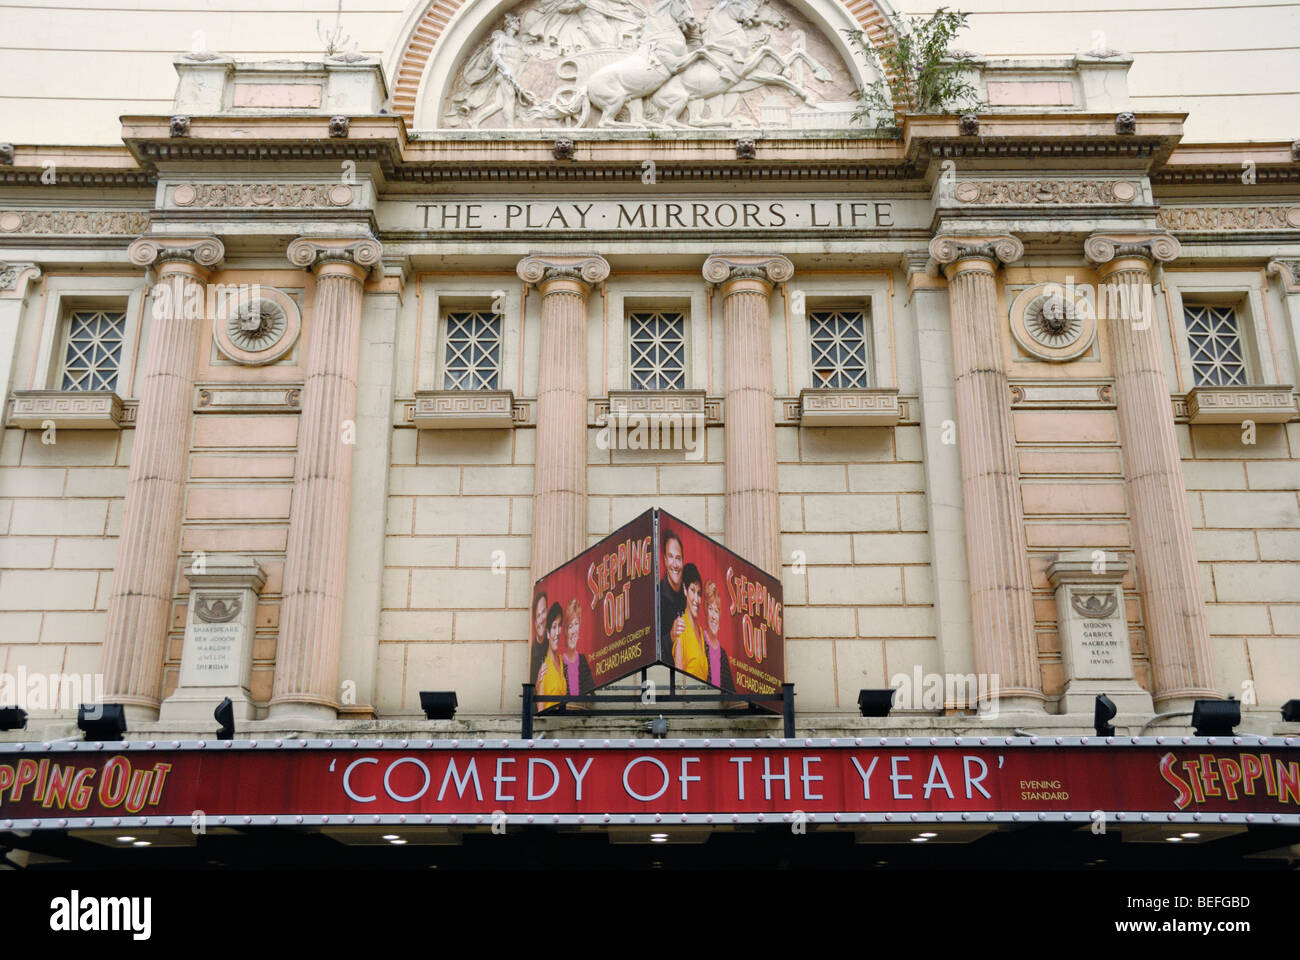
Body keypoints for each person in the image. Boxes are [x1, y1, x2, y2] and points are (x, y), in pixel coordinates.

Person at [672, 563, 707, 680]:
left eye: (699, 593)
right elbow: (678, 682)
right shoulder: (681, 627)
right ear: (685, 590)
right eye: (692, 590)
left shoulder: (701, 633)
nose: (696, 600)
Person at [701, 580, 734, 692]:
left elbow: (731, 694)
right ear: (705, 611)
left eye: (717, 611)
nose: (714, 616)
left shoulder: (723, 654)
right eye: (711, 609)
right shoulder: (699, 641)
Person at [658, 529, 686, 659]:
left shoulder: (689, 596)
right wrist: (671, 636)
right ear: (664, 560)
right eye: (670, 557)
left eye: (678, 558)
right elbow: (648, 647)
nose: (675, 564)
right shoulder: (655, 597)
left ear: (683, 562)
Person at [536, 601, 568, 704]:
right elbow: (540, 711)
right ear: (548, 633)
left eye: (559, 626)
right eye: (554, 627)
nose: (558, 632)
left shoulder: (562, 661)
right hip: (549, 719)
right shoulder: (544, 666)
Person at [562, 598, 595, 695]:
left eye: (576, 624)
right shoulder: (559, 662)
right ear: (565, 631)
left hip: (581, 709)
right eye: (570, 626)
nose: (573, 631)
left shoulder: (582, 660)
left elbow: (591, 693)